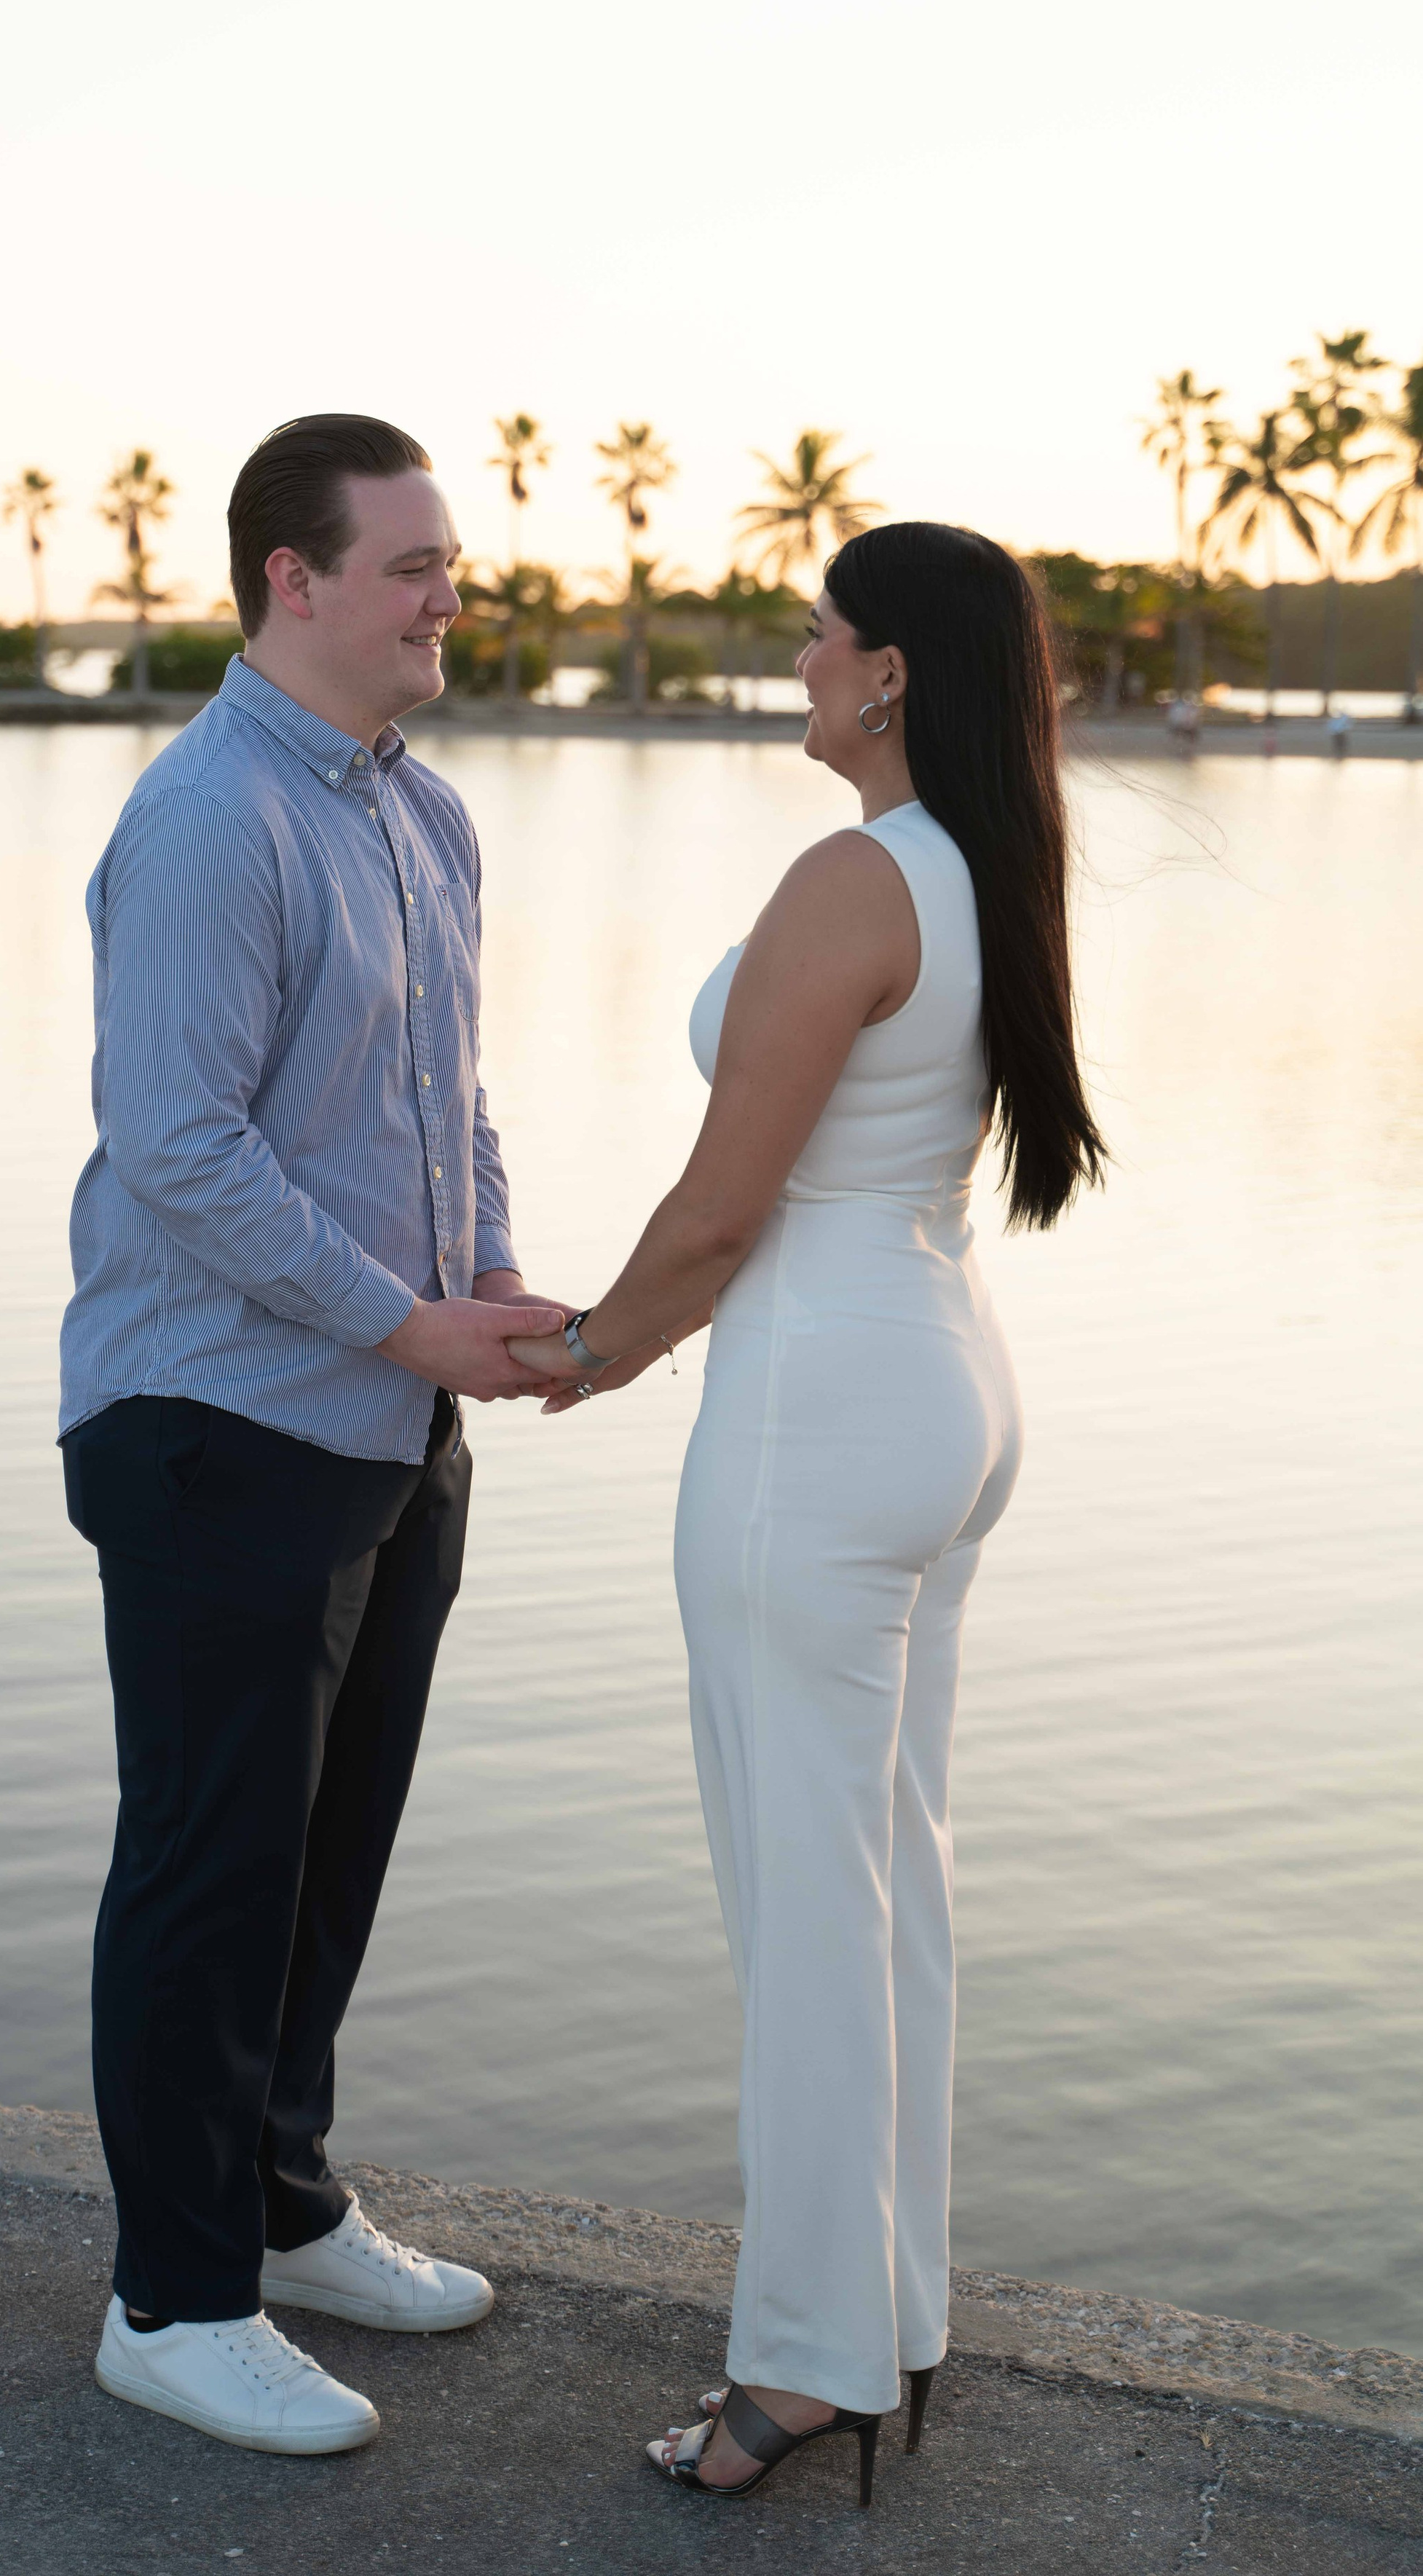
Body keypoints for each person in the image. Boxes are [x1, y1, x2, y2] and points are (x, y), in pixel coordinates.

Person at [512, 522, 1107, 2504]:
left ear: (890, 674)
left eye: (820, 630)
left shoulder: (855, 876)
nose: (794, 651)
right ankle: (892, 2321)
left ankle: (798, 2372)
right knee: (888, 1887)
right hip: (942, 1379)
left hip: (821, 1412)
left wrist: (580, 1353)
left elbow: (719, 1206)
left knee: (804, 1907)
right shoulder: (978, 863)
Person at [58, 414, 567, 2457]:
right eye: (416, 567)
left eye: (453, 566)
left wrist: (496, 1297)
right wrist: (403, 1321)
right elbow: (176, 1149)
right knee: (210, 1868)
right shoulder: (210, 822)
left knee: (325, 1855)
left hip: (387, 1418)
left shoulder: (421, 818)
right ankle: (169, 2302)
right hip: (218, 1423)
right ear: (295, 578)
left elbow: (443, 1100)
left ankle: (275, 2207)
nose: (453, 598)